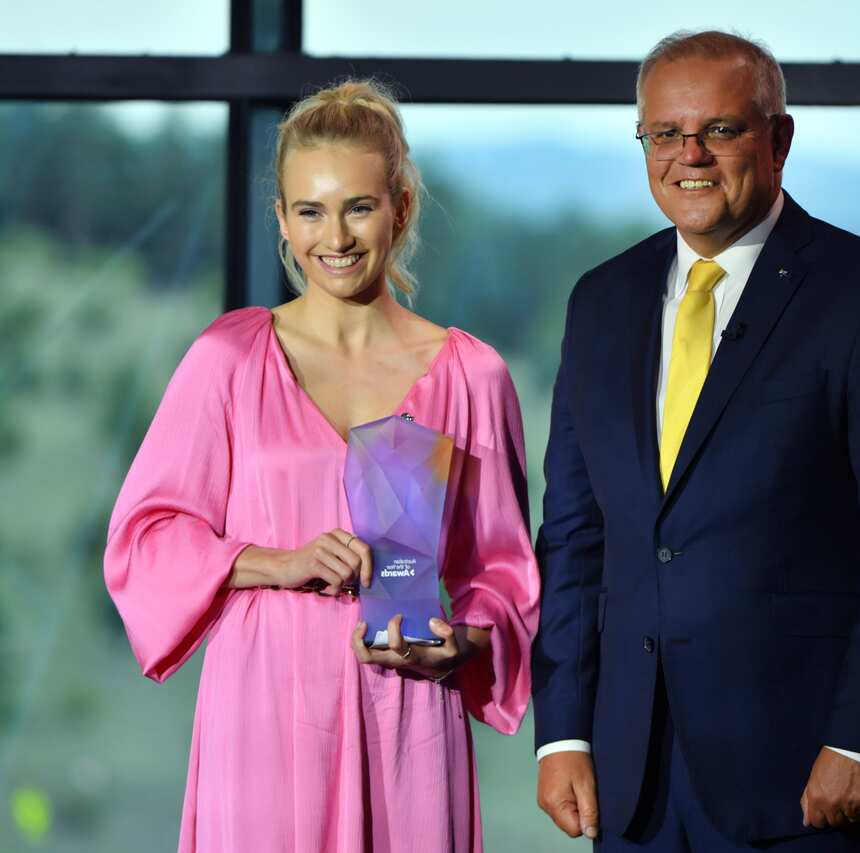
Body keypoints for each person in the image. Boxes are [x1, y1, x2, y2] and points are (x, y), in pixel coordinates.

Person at [531, 31, 860, 852]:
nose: (688, 155)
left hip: (811, 780)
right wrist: (565, 732)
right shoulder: (601, 301)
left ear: (780, 140)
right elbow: (574, 536)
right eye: (664, 133)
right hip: (634, 782)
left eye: (720, 130)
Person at [104, 79, 540, 853]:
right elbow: (143, 540)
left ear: (401, 207)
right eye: (309, 210)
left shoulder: (473, 375)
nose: (333, 236)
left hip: (408, 715)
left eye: (358, 207)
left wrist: (461, 643)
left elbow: (504, 577)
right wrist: (274, 560)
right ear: (281, 218)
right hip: (262, 712)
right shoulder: (227, 361)